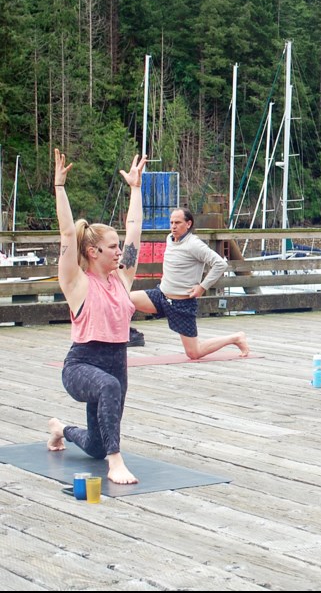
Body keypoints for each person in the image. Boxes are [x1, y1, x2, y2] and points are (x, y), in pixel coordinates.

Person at [47, 149, 147, 484]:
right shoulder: (77, 283)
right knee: (108, 387)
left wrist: (135, 190)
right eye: (113, 247)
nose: (121, 251)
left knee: (95, 444)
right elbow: (66, 234)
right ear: (93, 252)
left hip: (116, 360)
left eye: (120, 247)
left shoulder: (121, 277)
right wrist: (60, 187)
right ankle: (115, 463)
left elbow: (135, 229)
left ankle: (60, 429)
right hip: (81, 365)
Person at [130, 208, 248, 359]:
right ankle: (127, 336)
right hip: (161, 296)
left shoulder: (194, 244)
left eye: (178, 223)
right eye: (171, 222)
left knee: (194, 353)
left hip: (182, 304)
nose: (173, 226)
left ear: (188, 224)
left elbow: (220, 264)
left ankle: (236, 338)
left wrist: (202, 287)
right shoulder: (169, 238)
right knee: (125, 299)